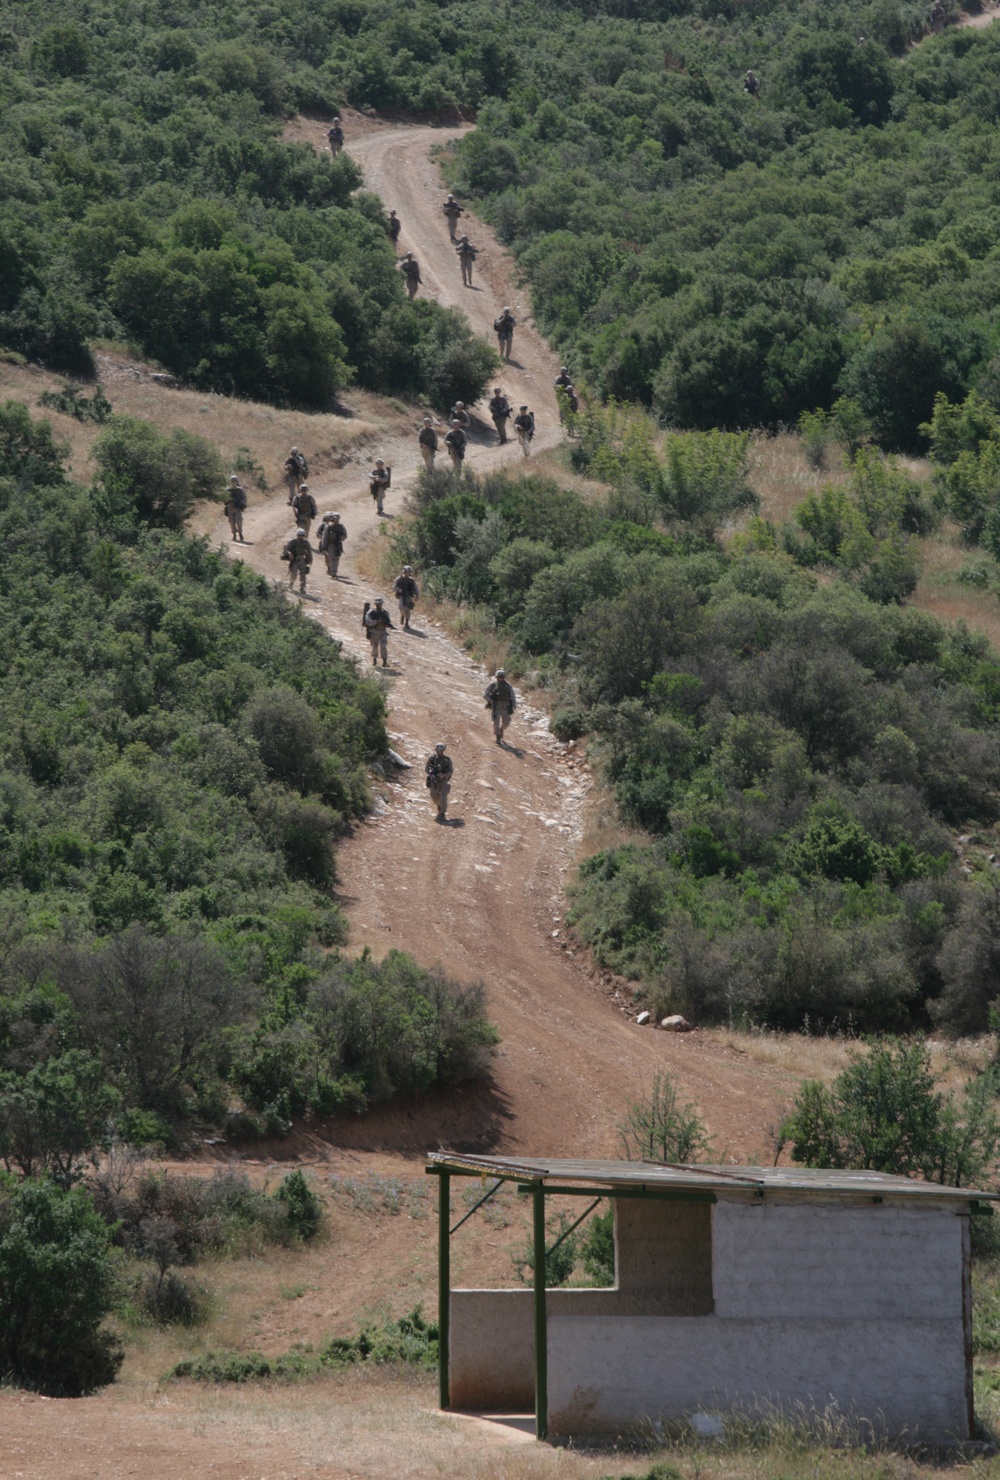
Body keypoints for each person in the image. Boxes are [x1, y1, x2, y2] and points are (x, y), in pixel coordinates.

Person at [484, 668, 516, 744]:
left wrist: (514, 704)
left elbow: (512, 695)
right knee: (496, 722)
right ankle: (498, 737)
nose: (500, 678)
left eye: (502, 677)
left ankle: (501, 730)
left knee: (507, 721)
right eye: (499, 677)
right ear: (497, 677)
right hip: (496, 706)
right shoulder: (493, 685)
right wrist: (490, 701)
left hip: (504, 706)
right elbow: (485, 694)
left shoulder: (508, 686)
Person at [425, 742, 453, 822]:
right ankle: (439, 805)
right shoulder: (432, 759)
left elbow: (450, 771)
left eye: (441, 750)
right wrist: (431, 775)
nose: (439, 751)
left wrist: (444, 775)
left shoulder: (447, 760)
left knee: (443, 797)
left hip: (443, 781)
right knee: (434, 796)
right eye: (438, 750)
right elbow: (427, 769)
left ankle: (442, 813)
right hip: (434, 781)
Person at [363, 595, 394, 667]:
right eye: (378, 604)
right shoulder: (371, 612)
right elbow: (368, 622)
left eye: (380, 604)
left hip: (383, 631)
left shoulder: (385, 612)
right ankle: (374, 660)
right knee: (374, 646)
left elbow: (388, 621)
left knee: (383, 646)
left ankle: (384, 661)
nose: (379, 605)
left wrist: (386, 624)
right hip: (374, 631)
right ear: (375, 604)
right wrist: (376, 622)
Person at [282, 527, 312, 594]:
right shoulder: (292, 542)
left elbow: (309, 551)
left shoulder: (306, 542)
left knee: (303, 575)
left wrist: (310, 560)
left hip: (302, 560)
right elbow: (286, 549)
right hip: (295, 559)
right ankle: (291, 584)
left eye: (302, 535)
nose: (301, 536)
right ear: (297, 535)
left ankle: (302, 588)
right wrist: (289, 553)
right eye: (300, 535)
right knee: (294, 574)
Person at [317, 511, 347, 577]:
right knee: (331, 557)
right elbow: (324, 536)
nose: (336, 520)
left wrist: (340, 538)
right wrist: (323, 545)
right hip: (330, 545)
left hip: (338, 545)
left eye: (337, 519)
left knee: (336, 558)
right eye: (335, 519)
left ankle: (334, 571)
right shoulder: (329, 527)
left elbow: (345, 535)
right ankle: (333, 572)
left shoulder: (341, 527)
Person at [394, 565, 419, 629]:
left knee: (408, 610)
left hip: (409, 596)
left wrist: (417, 595)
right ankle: (402, 615)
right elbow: (394, 587)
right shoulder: (399, 579)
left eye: (409, 572)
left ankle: (406, 623)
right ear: (404, 572)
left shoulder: (411, 580)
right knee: (401, 607)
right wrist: (398, 589)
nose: (408, 573)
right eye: (407, 572)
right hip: (401, 596)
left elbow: (416, 588)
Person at [225, 474, 247, 542]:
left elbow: (244, 498)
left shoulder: (240, 490)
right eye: (232, 481)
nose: (234, 482)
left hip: (237, 507)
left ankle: (240, 533)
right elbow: (224, 498)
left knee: (239, 521)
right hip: (230, 507)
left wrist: (241, 503)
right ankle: (234, 534)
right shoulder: (227, 489)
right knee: (231, 522)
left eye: (235, 481)